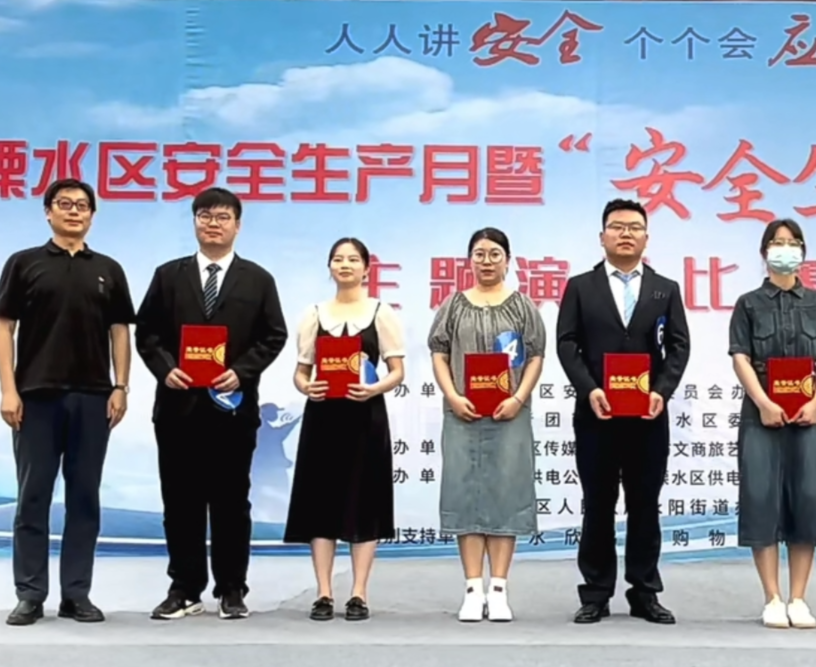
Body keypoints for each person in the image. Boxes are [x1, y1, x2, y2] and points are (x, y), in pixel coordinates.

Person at [135, 187, 288, 621]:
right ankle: (184, 588)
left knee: (231, 502)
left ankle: (232, 588)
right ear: (195, 222)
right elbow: (147, 333)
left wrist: (241, 370)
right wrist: (165, 368)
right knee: (179, 501)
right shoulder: (168, 275)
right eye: (205, 216)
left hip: (233, 410)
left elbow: (273, 336)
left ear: (237, 225)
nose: (213, 223)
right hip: (177, 408)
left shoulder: (258, 279)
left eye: (222, 217)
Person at [0, 178, 135, 626]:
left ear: (92, 215)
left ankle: (76, 593)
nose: (74, 211)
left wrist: (121, 386)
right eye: (65, 204)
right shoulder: (24, 263)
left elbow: (119, 332)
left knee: (84, 498)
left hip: (93, 398)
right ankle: (30, 593)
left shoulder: (108, 269)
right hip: (35, 397)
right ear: (48, 211)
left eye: (82, 205)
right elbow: (4, 328)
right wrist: (8, 389)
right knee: (32, 497)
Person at [556, 198, 690, 625]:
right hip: (597, 414)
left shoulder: (665, 288)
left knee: (645, 504)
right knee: (598, 504)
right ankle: (595, 593)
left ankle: (644, 592)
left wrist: (662, 391)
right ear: (602, 237)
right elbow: (566, 343)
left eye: (634, 227)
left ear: (646, 237)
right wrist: (589, 389)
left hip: (648, 416)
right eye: (617, 227)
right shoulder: (581, 286)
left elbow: (679, 346)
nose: (626, 234)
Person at [427, 228, 547, 623]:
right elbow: (439, 352)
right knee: (465, 495)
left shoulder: (522, 306)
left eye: (495, 254)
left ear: (508, 260)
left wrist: (518, 398)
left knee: (505, 494)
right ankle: (471, 587)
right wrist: (452, 395)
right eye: (479, 254)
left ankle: (498, 589)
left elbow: (536, 356)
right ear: (470, 260)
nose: (487, 261)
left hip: (509, 414)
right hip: (462, 414)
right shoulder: (453, 305)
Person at [284, 237, 406, 622]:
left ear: (367, 268)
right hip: (323, 417)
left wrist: (374, 388)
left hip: (365, 417)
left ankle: (358, 593)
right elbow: (301, 372)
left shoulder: (381, 313)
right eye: (338, 259)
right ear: (330, 267)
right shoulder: (314, 314)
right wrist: (307, 387)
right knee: (321, 503)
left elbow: (397, 371)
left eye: (353, 259)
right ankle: (323, 592)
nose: (345, 265)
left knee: (364, 501)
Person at [727, 219, 816, 629]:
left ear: (803, 252)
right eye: (777, 242)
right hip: (762, 414)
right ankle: (772, 597)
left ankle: (799, 598)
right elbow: (740, 356)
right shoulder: (748, 304)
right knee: (761, 496)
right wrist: (763, 402)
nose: (785, 249)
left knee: (808, 495)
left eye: (793, 243)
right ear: (764, 253)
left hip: (808, 413)